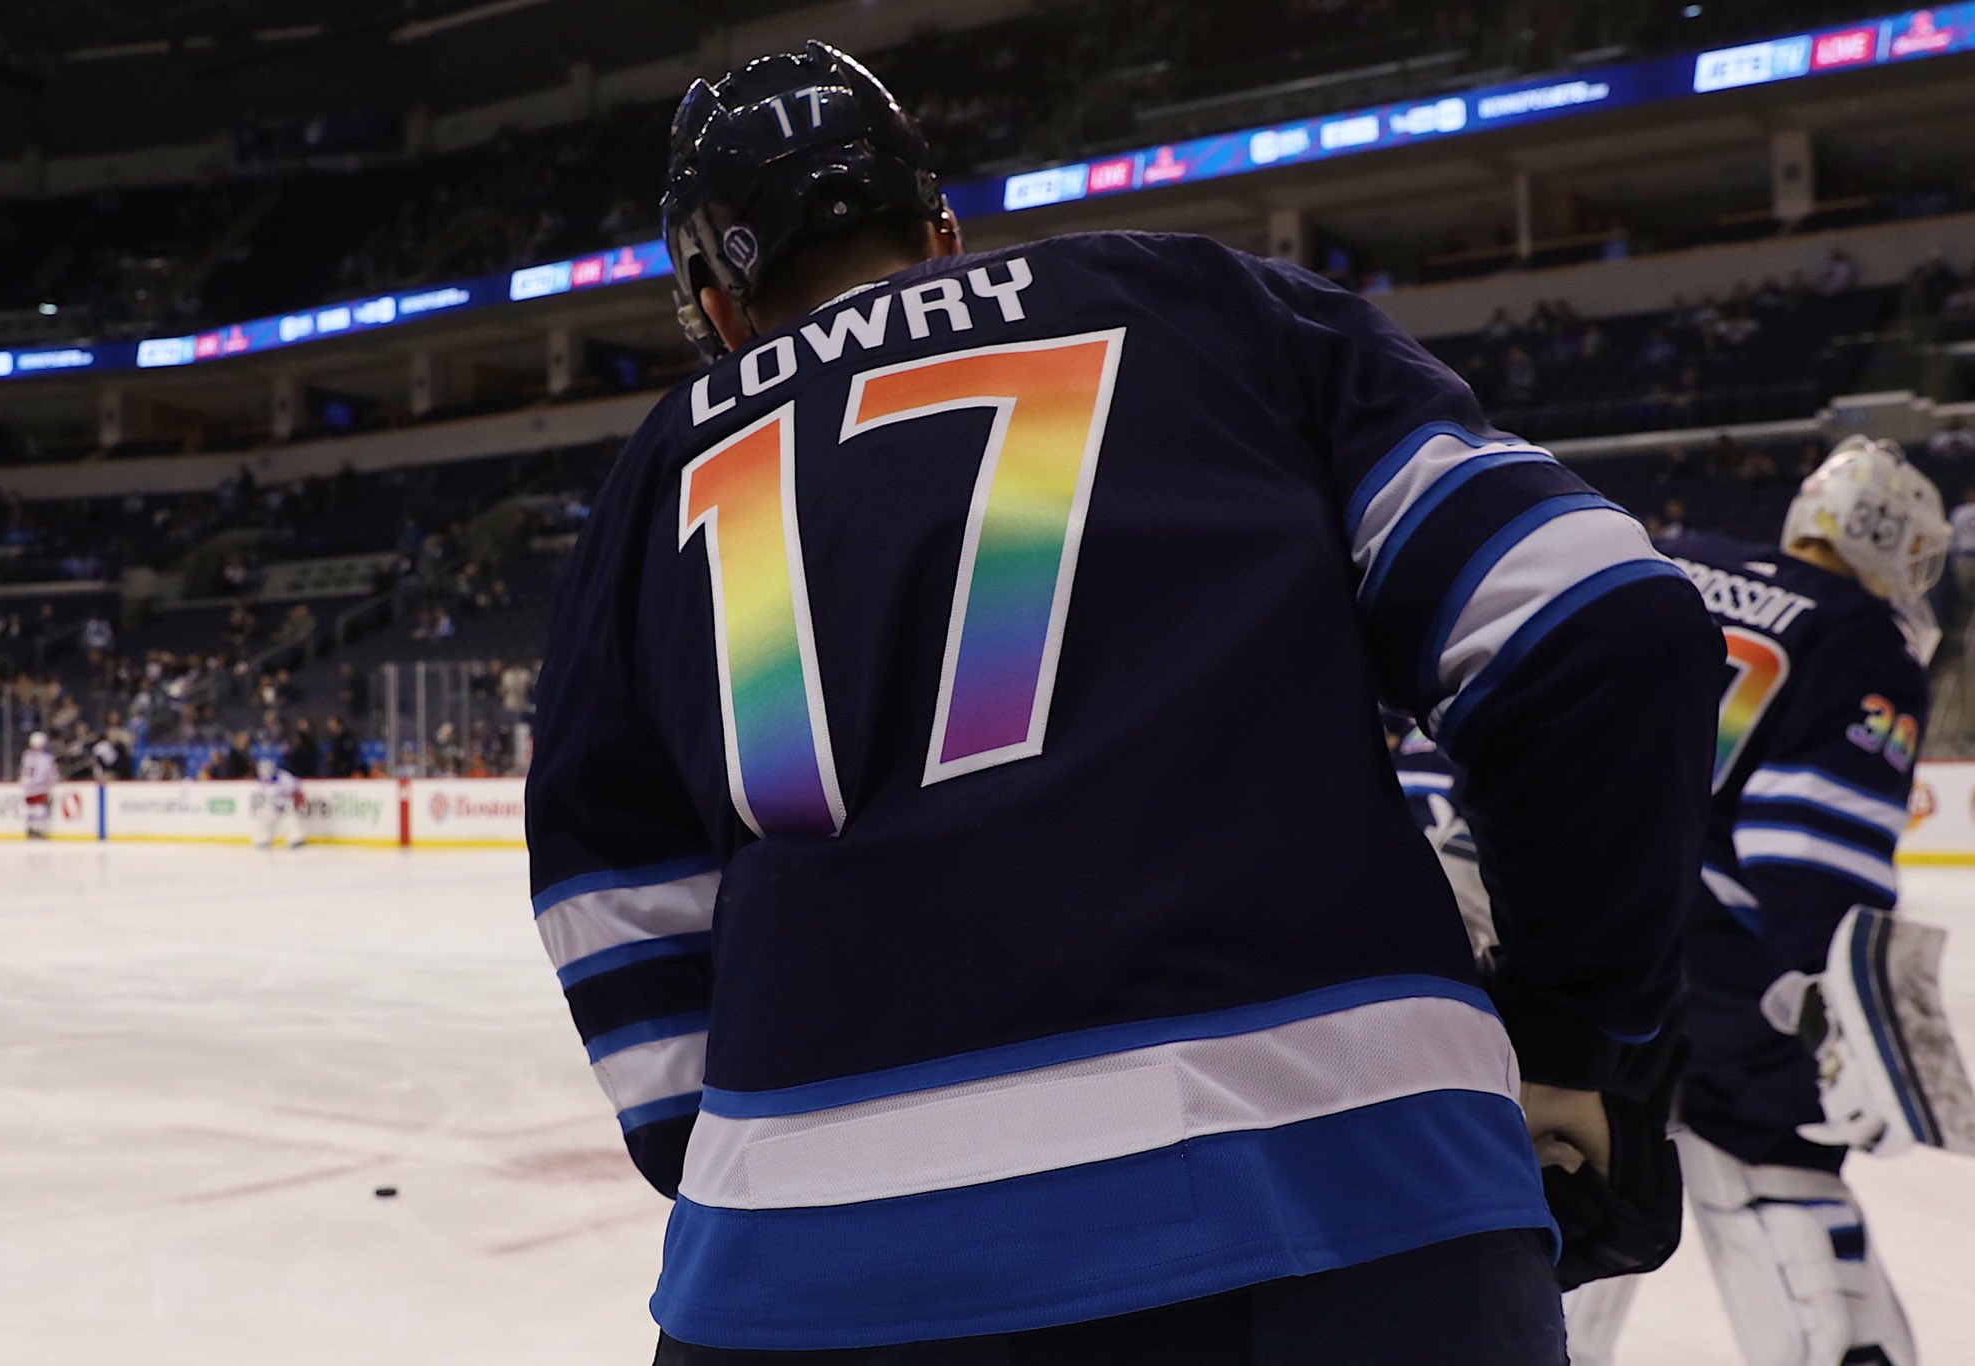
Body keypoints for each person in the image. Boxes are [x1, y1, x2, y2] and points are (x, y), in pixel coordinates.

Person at [525, 42, 1721, 1366]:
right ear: (939, 227)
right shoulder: (1204, 301)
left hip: (810, 1280)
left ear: (716, 298)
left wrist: (755, 1158)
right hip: (1352, 1213)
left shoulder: (660, 473)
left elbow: (613, 895)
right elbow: (1596, 617)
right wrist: (1572, 1027)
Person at [1565, 437, 1952, 1366]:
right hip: (1721, 971)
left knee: (1574, 1186)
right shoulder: (1858, 635)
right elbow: (1807, 853)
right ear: (1880, 536)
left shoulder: (1671, 556)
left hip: (1575, 934)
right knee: (1785, 1171)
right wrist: (1831, 1006)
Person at [253, 757, 306, 851]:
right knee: (266, 820)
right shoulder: (263, 779)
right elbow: (266, 791)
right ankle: (264, 840)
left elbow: (294, 788)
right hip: (272, 802)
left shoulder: (285, 776)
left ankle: (296, 839)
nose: (265, 773)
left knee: (290, 820)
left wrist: (288, 799)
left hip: (286, 801)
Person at [19, 732, 58, 840]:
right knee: (40, 807)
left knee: (30, 807)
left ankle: (30, 828)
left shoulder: (26, 755)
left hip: (27, 785)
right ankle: (39, 830)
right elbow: (49, 773)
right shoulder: (46, 758)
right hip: (40, 785)